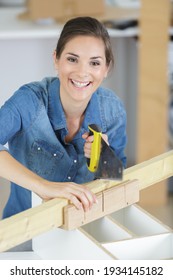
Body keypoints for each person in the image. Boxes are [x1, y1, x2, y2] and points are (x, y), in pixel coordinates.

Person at [0, 16, 127, 219]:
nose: (82, 72)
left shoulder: (113, 111)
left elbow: (116, 184)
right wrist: (44, 187)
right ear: (56, 59)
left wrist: (106, 159)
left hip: (83, 231)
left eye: (94, 63)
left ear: (106, 69)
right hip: (25, 228)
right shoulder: (29, 101)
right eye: (72, 59)